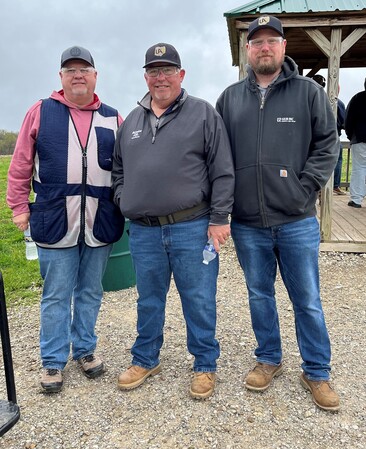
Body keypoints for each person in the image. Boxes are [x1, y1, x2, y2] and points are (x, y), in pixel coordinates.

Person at [216, 16, 340, 411]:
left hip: (297, 221)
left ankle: (317, 371)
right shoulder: (230, 99)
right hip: (248, 223)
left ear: (284, 47)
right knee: (259, 294)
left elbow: (327, 145)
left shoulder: (308, 93)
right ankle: (268, 358)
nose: (264, 47)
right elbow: (218, 157)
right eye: (257, 42)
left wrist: (303, 188)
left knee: (307, 299)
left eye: (272, 40)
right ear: (247, 51)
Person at [112, 42, 234, 399]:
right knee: (148, 298)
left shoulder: (203, 113)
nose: (160, 77)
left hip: (192, 227)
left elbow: (223, 170)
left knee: (198, 298)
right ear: (146, 77)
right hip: (145, 232)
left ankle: (205, 364)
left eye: (167, 71)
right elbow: (118, 170)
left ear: (181, 75)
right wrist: (123, 198)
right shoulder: (131, 121)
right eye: (153, 71)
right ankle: (145, 358)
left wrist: (219, 218)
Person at [7, 46, 124, 393]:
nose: (77, 74)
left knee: (90, 291)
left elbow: (126, 169)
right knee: (56, 294)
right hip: (54, 219)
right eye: (70, 69)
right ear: (61, 77)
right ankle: (53, 360)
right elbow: (21, 164)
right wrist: (18, 207)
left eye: (84, 68)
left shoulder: (114, 117)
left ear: (95, 75)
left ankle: (85, 350)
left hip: (100, 220)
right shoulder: (41, 112)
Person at [312, 75, 346, 195]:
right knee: (336, 160)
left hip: (310, 139)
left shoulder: (308, 100)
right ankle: (334, 185)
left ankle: (317, 188)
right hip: (333, 137)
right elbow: (344, 122)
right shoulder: (337, 103)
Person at [345, 78, 366, 208]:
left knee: (359, 168)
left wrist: (350, 135)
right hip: (359, 138)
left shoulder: (358, 98)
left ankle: (356, 200)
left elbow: (348, 119)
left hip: (360, 138)